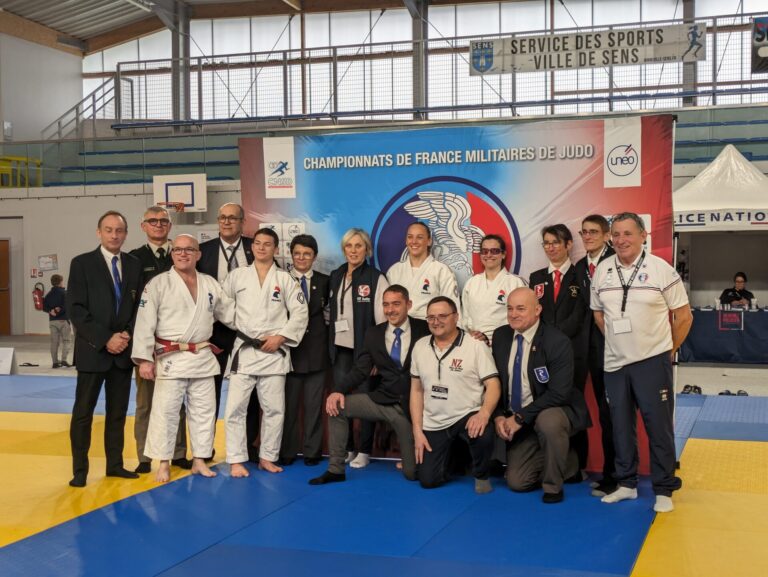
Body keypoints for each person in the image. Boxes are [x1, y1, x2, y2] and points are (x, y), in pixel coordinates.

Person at [591, 212, 693, 513]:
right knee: (620, 426)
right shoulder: (603, 270)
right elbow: (598, 314)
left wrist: (667, 350)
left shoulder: (661, 269)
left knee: (658, 427)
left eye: (628, 234)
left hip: (652, 361)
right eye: (617, 234)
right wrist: (617, 341)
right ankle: (626, 484)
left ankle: (663, 488)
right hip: (614, 364)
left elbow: (684, 316)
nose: (621, 240)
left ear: (643, 235)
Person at [131, 234, 234, 483]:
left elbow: (230, 314)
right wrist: (145, 360)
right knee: (165, 413)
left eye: (189, 249)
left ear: (198, 254)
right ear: (172, 254)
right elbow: (145, 323)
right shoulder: (157, 284)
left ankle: (199, 459)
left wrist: (264, 327)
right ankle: (163, 463)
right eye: (177, 250)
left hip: (201, 356)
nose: (183, 253)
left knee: (204, 412)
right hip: (171, 357)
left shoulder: (209, 283)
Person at [309, 284, 430, 485]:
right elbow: (360, 369)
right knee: (336, 407)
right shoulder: (373, 333)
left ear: (408, 304)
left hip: (413, 408)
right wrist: (338, 390)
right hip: (383, 401)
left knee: (412, 474)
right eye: (386, 304)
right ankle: (335, 469)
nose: (390, 309)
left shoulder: (424, 329)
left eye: (396, 304)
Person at [222, 227, 308, 476]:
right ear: (252, 247)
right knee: (235, 408)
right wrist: (241, 327)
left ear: (276, 249)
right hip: (246, 349)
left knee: (274, 409)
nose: (261, 247)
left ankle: (267, 457)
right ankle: (237, 459)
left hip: (274, 352)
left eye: (267, 244)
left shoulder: (285, 279)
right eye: (257, 243)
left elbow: (300, 313)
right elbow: (222, 306)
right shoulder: (237, 276)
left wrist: (280, 337)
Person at [66, 210, 142, 487]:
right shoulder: (82, 264)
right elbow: (76, 309)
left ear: (125, 233)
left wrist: (126, 335)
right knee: (83, 413)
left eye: (119, 230)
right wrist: (106, 338)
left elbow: (140, 308)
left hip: (122, 353)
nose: (114, 235)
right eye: (108, 230)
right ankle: (80, 470)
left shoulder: (133, 265)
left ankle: (115, 464)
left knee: (118, 413)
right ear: (99, 232)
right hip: (92, 350)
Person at [492, 288, 589, 503]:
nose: (513, 314)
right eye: (509, 308)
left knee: (549, 421)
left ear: (537, 310)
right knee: (518, 482)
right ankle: (568, 460)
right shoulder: (500, 336)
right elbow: (495, 382)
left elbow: (559, 393)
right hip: (520, 417)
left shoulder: (556, 341)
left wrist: (519, 418)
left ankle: (553, 486)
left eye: (520, 308)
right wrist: (498, 414)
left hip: (552, 410)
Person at [410, 296, 501, 493]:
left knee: (483, 433)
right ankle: (452, 462)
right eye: (431, 317)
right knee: (427, 481)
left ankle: (481, 475)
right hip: (434, 422)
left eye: (442, 316)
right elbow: (416, 390)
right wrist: (417, 430)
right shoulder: (420, 346)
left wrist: (484, 413)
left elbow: (493, 384)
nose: (436, 321)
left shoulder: (476, 345)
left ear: (456, 317)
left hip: (466, 415)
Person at [130, 206, 191, 474]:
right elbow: (130, 303)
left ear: (170, 225)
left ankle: (177, 452)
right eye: (152, 221)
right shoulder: (133, 259)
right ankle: (144, 456)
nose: (158, 225)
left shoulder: (180, 255)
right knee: (145, 402)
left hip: (176, 341)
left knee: (176, 400)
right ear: (143, 226)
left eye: (163, 221)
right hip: (146, 341)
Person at [529, 224, 588, 476]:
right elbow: (534, 315)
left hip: (572, 352)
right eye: (546, 243)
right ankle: (548, 462)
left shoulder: (581, 276)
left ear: (568, 245)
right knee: (546, 405)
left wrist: (555, 340)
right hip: (542, 353)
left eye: (555, 242)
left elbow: (579, 316)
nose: (551, 247)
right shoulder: (536, 277)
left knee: (572, 407)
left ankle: (576, 467)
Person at [197, 202, 255, 458]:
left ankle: (250, 445)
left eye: (233, 218)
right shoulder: (203, 251)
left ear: (242, 221)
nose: (227, 222)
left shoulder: (257, 248)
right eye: (222, 218)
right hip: (215, 332)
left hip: (248, 331)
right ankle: (204, 448)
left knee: (250, 394)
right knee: (209, 393)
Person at [329, 228, 389, 469]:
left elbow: (383, 321)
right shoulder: (336, 275)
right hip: (340, 348)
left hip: (364, 352)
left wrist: (376, 356)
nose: (353, 251)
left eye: (358, 246)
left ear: (367, 249)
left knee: (364, 400)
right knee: (340, 399)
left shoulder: (376, 278)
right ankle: (348, 448)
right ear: (344, 250)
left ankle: (364, 450)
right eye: (349, 246)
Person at [574, 214, 617, 496]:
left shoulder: (616, 261)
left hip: (611, 348)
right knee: (581, 408)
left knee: (610, 413)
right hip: (582, 348)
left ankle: (617, 474)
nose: (587, 237)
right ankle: (578, 467)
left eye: (593, 232)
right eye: (584, 232)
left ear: (606, 235)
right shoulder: (579, 267)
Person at [280, 234, 330, 466]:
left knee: (313, 407)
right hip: (289, 354)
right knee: (288, 407)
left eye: (307, 254)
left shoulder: (325, 280)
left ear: (315, 257)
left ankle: (312, 451)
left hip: (317, 354)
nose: (302, 258)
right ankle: (288, 450)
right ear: (291, 255)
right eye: (297, 253)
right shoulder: (281, 280)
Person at [461, 234, 527, 343]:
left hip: (505, 342)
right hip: (475, 342)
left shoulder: (515, 282)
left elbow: (523, 317)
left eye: (495, 251)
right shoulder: (472, 283)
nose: (489, 255)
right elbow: (465, 318)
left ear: (503, 254)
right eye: (484, 251)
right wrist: (471, 334)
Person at [386, 222, 459, 320]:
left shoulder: (441, 270)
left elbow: (453, 306)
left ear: (429, 241)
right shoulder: (394, 271)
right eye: (410, 237)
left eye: (419, 237)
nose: (414, 241)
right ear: (406, 241)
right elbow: (386, 305)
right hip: (400, 327)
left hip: (431, 326)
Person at [43, 274, 72, 368]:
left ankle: (55, 362)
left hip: (52, 321)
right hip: (63, 320)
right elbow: (66, 306)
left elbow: (43, 307)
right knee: (66, 340)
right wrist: (57, 312)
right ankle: (64, 360)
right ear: (60, 282)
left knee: (54, 342)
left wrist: (51, 311)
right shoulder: (65, 293)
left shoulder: (48, 294)